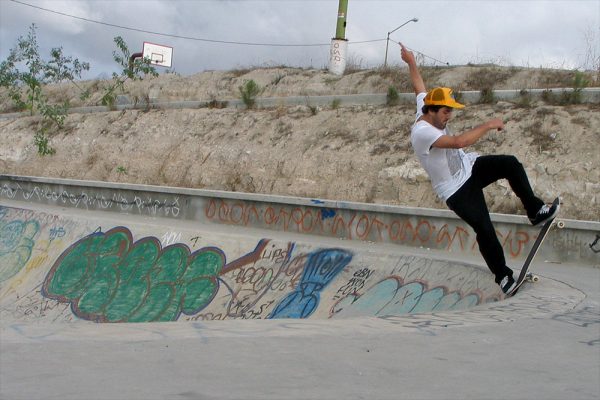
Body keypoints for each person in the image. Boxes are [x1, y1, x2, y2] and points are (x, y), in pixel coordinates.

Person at [399, 43, 559, 294]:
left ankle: (535, 210)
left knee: (510, 164)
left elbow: (418, 84)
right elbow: (458, 142)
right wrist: (487, 125)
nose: (448, 117)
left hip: (469, 167)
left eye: (450, 112)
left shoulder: (425, 103)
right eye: (445, 112)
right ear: (430, 110)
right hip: (456, 191)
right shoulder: (421, 132)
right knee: (484, 227)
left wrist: (410, 61)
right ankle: (503, 277)